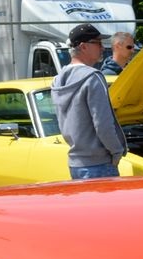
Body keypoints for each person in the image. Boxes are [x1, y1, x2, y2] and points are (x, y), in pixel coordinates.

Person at [49, 23, 128, 179]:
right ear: (83, 47)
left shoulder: (58, 80)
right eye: (97, 42)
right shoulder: (93, 77)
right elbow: (103, 124)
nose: (103, 47)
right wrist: (116, 151)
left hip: (75, 164)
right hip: (100, 165)